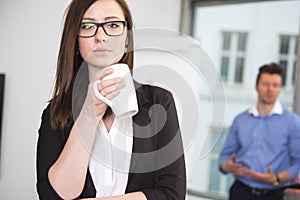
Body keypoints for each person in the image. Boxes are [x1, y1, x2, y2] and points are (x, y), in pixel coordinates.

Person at [36, 0, 186, 199]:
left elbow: (172, 194)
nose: (101, 36)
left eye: (113, 25)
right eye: (87, 26)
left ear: (126, 38)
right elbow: (52, 195)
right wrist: (89, 114)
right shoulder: (56, 112)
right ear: (75, 40)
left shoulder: (160, 101)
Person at [218, 63, 300, 200]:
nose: (270, 89)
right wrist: (228, 166)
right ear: (257, 87)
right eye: (265, 84)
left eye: (275, 85)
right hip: (240, 192)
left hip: (273, 194)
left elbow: (298, 162)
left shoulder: (293, 122)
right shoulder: (240, 120)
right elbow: (224, 157)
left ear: (280, 88)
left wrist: (276, 178)